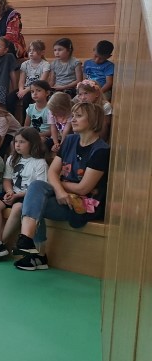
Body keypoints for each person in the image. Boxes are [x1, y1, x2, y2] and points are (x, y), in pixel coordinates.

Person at [14, 102, 110, 271]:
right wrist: (59, 191)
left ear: (93, 120)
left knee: (34, 201)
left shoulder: (101, 150)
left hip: (82, 205)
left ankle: (38, 255)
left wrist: (60, 185)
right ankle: (27, 240)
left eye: (79, 116)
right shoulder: (70, 140)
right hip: (63, 197)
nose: (73, 119)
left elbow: (83, 188)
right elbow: (52, 172)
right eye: (73, 116)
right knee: (36, 188)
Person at [0, 128, 48, 261]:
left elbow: (40, 188)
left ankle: (1, 243)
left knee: (18, 207)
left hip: (28, 197)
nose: (17, 145)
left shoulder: (40, 163)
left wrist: (17, 196)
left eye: (22, 142)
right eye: (16, 141)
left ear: (32, 143)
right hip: (13, 193)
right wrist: (9, 191)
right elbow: (7, 180)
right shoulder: (12, 159)